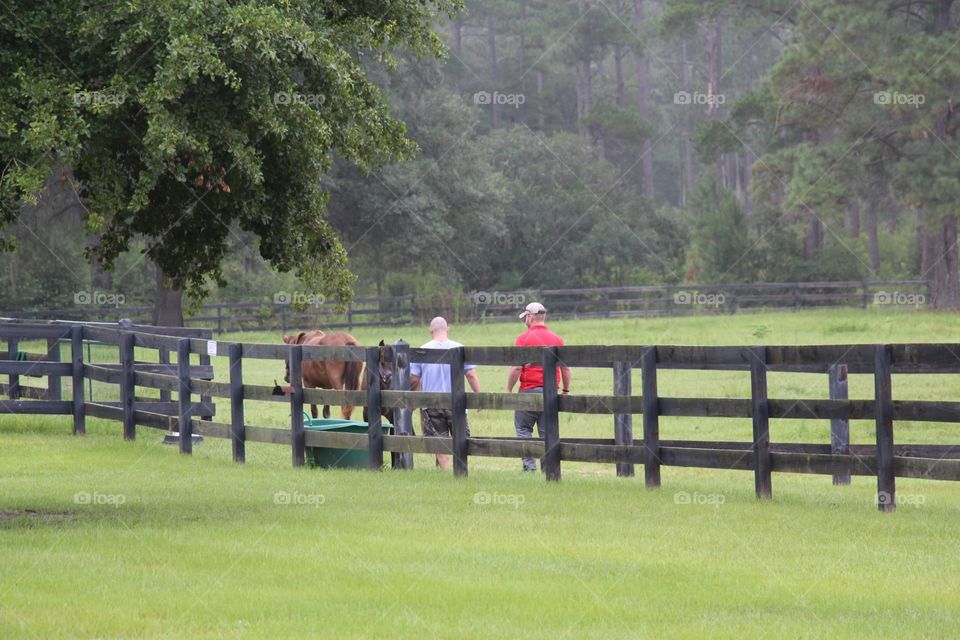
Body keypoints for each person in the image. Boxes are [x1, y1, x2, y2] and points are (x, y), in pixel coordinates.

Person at [506, 302, 571, 472]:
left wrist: (509, 389)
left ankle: (529, 468)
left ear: (530, 317)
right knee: (546, 432)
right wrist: (565, 389)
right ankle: (548, 468)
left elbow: (516, 367)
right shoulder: (557, 339)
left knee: (523, 429)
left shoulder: (523, 338)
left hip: (528, 390)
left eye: (525, 317)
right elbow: (565, 367)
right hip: (550, 393)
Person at [410, 316, 481, 470]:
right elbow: (471, 375)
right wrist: (478, 397)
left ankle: (444, 471)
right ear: (448, 329)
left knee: (439, 442)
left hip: (431, 404)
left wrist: (410, 399)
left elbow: (414, 380)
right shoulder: (460, 348)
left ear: (430, 331)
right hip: (457, 404)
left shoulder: (421, 350)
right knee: (461, 439)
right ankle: (461, 471)